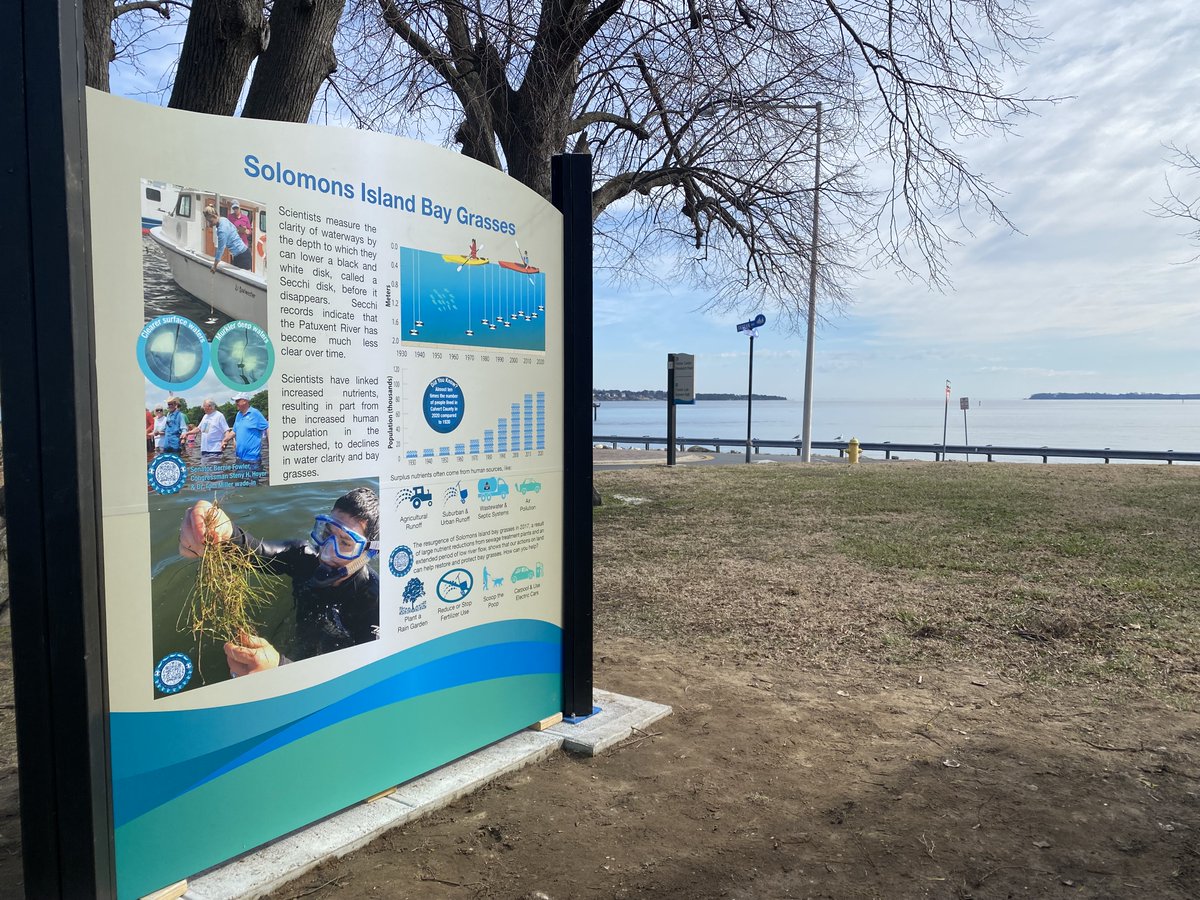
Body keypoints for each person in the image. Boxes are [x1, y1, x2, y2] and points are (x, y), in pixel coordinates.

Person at [179, 488, 381, 675]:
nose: (327, 552)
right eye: (327, 533)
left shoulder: (375, 602)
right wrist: (220, 531)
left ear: (367, 553)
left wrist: (280, 668)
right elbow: (254, 552)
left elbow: (363, 682)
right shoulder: (304, 558)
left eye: (346, 543)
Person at [221, 394, 268, 461]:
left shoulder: (255, 413)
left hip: (253, 458)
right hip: (239, 457)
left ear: (245, 401)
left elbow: (267, 427)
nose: (235, 403)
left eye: (237, 401)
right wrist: (225, 440)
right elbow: (234, 431)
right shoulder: (238, 415)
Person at [204, 204, 251, 271]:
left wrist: (214, 266)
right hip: (241, 254)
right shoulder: (224, 219)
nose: (209, 224)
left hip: (242, 257)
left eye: (210, 221)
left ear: (214, 216)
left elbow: (221, 249)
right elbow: (234, 229)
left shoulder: (221, 230)